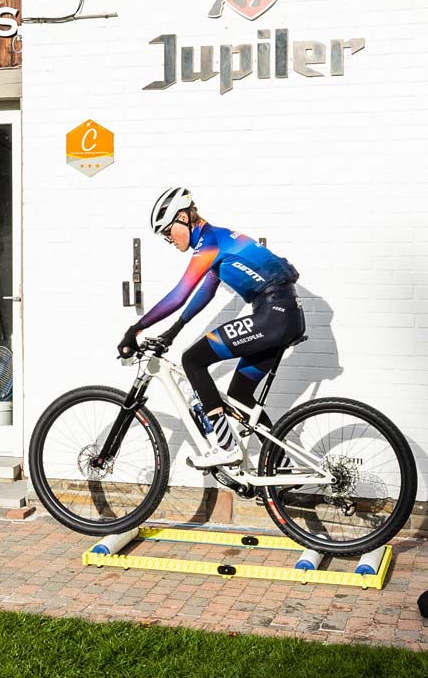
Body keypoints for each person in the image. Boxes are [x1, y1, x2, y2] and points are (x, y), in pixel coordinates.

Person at [120, 186, 304, 469]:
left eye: (167, 231)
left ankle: (227, 447)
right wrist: (173, 332)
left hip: (273, 315)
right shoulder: (218, 239)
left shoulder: (210, 243)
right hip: (283, 316)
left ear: (183, 217)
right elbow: (206, 292)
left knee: (193, 360)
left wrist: (135, 328)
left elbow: (179, 295)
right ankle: (282, 466)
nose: (168, 239)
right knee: (240, 397)